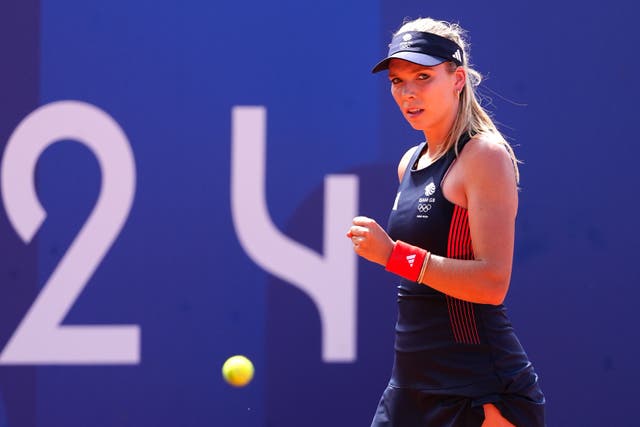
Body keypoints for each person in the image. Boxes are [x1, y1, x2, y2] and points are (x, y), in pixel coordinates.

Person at [346, 17, 545, 427]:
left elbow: (493, 283)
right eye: (398, 82)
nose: (408, 92)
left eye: (423, 76)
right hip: (410, 386)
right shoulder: (409, 162)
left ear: (457, 80)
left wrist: (393, 256)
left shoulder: (485, 156)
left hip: (477, 388)